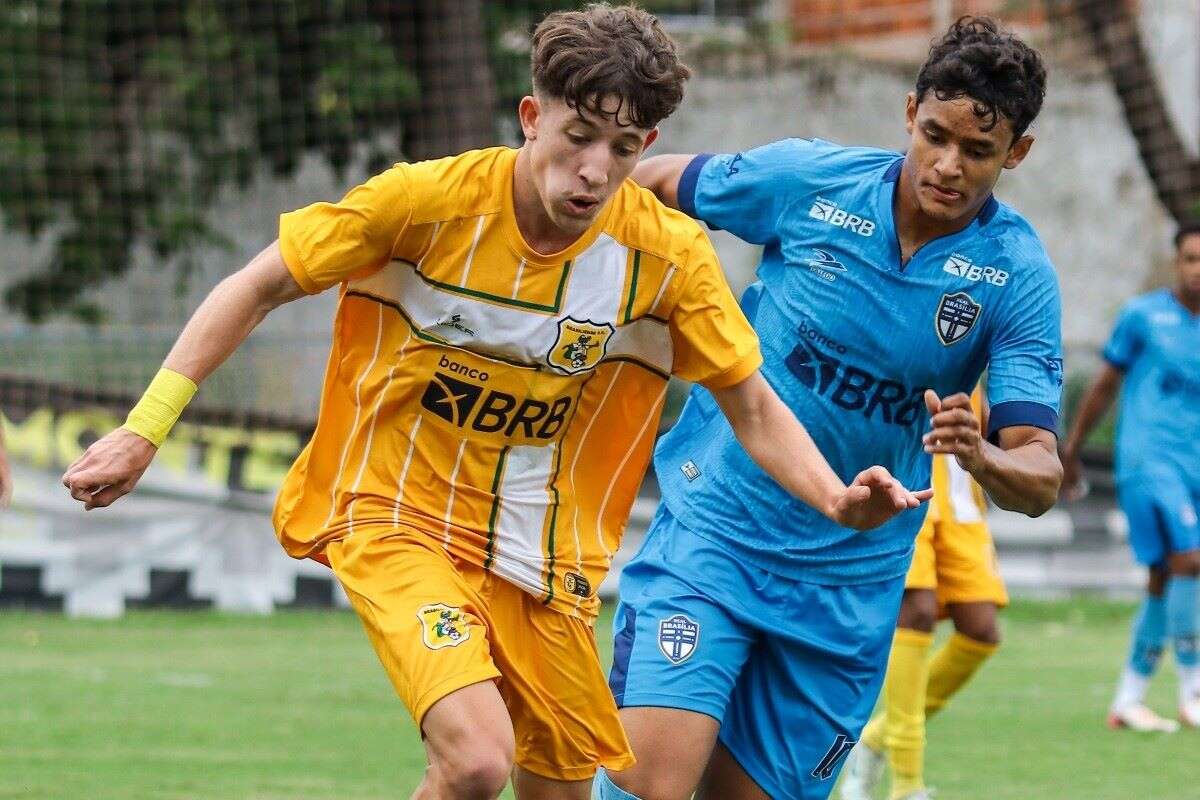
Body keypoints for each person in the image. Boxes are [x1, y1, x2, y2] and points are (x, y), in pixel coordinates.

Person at [59, 6, 924, 799]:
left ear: (648, 142)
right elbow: (255, 285)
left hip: (540, 559)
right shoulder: (423, 203)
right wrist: (145, 429)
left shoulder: (664, 256)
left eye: (622, 151)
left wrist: (833, 496)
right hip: (396, 514)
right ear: (531, 116)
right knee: (476, 760)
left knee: (561, 785)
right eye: (578, 136)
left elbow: (754, 405)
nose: (593, 171)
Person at [597, 17, 1063, 800]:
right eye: (936, 135)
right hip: (717, 538)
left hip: (847, 585)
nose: (947, 166)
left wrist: (983, 456)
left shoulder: (1015, 274)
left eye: (978, 151)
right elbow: (644, 183)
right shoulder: (808, 180)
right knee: (650, 784)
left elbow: (1041, 473)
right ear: (910, 111)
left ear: (1016, 153)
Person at [1061, 222, 1200, 733]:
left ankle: (1128, 698)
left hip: (1195, 467)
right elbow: (1102, 386)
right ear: (1175, 262)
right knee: (1188, 559)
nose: (1197, 270)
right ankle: (1193, 692)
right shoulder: (1143, 317)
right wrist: (1071, 450)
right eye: (1190, 259)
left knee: (1164, 576)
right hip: (1148, 460)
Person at [842, 389, 1007, 800]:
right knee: (916, 610)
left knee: (980, 630)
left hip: (959, 494)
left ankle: (877, 738)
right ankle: (908, 785)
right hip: (905, 482)